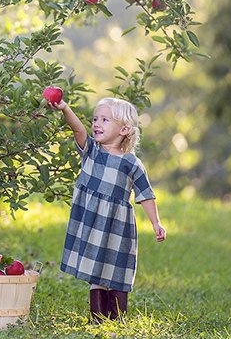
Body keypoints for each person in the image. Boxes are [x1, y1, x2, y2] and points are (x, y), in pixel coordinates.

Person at [48, 97, 166, 322]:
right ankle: (98, 317)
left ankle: (117, 315)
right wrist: (65, 108)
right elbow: (78, 129)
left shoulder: (131, 164)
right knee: (96, 264)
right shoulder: (92, 151)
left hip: (117, 225)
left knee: (116, 265)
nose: (96, 124)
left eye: (104, 119)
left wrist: (155, 222)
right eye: (95, 119)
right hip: (93, 222)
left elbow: (146, 195)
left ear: (124, 129)